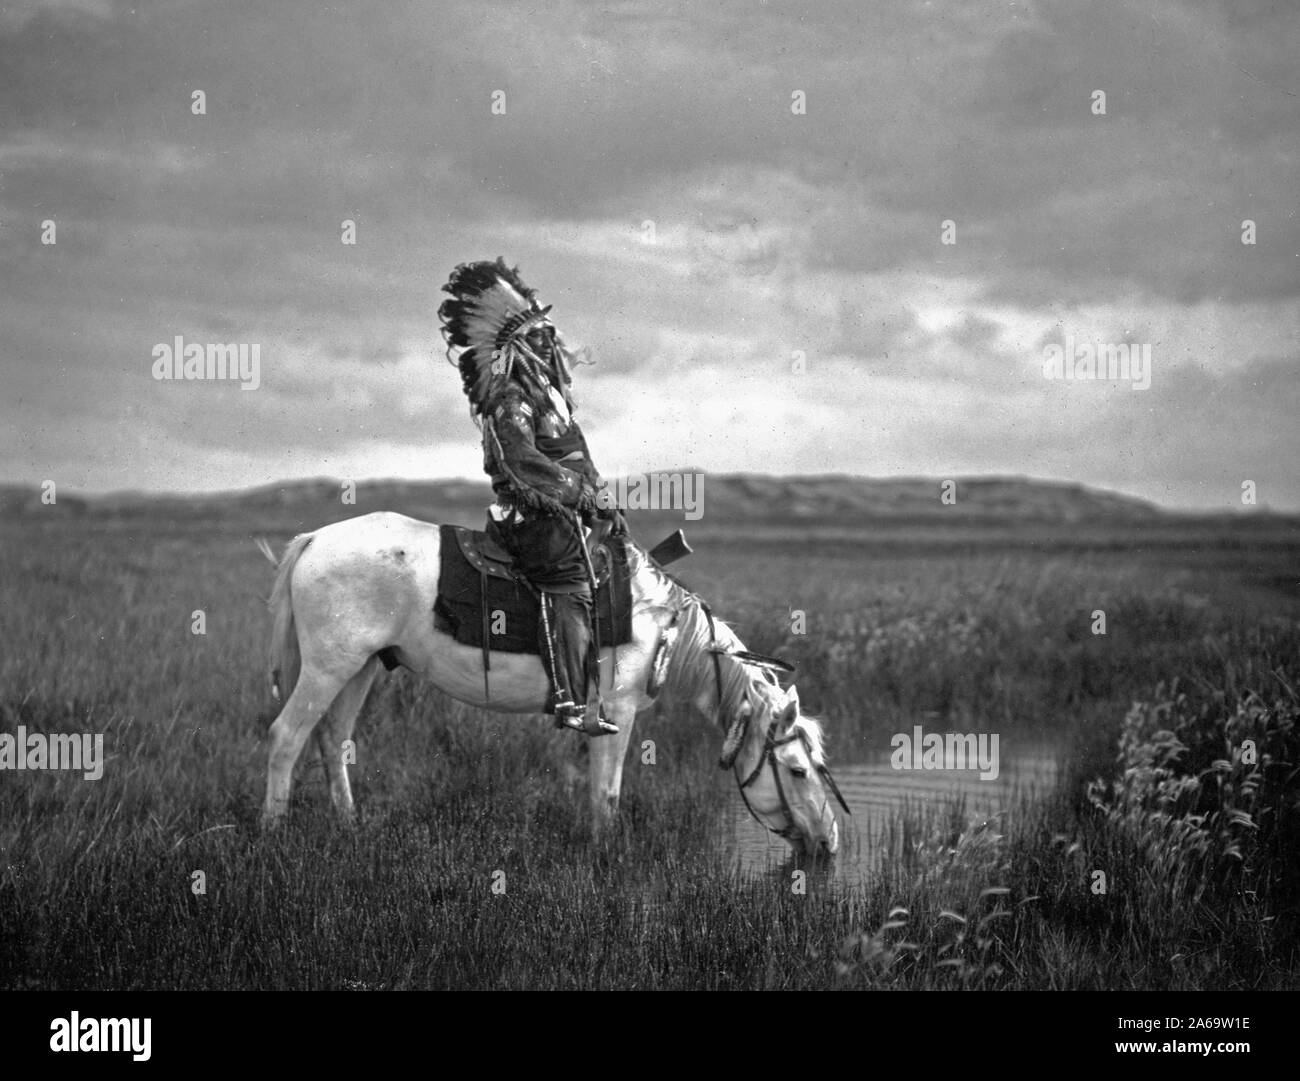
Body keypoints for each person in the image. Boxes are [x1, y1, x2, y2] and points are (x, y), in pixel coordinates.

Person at [439, 258, 627, 736]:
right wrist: (582, 495)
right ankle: (572, 700)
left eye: (549, 333)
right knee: (567, 576)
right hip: (531, 517)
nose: (551, 342)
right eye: (539, 336)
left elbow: (577, 456)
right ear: (519, 346)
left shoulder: (552, 396)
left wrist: (602, 500)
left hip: (565, 510)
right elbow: (520, 462)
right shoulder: (508, 399)